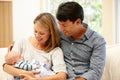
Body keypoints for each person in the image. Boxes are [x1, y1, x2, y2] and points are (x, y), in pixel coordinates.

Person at [7, 1, 106, 80]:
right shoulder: (61, 32)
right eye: (59, 24)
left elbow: (95, 71)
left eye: (64, 25)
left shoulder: (97, 41)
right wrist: (16, 47)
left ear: (78, 22)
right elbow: (43, 32)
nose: (61, 29)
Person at [3, 13, 67, 80]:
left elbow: (62, 76)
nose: (37, 35)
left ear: (51, 33)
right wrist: (26, 73)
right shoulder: (22, 42)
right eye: (35, 31)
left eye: (41, 33)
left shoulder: (55, 51)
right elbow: (6, 67)